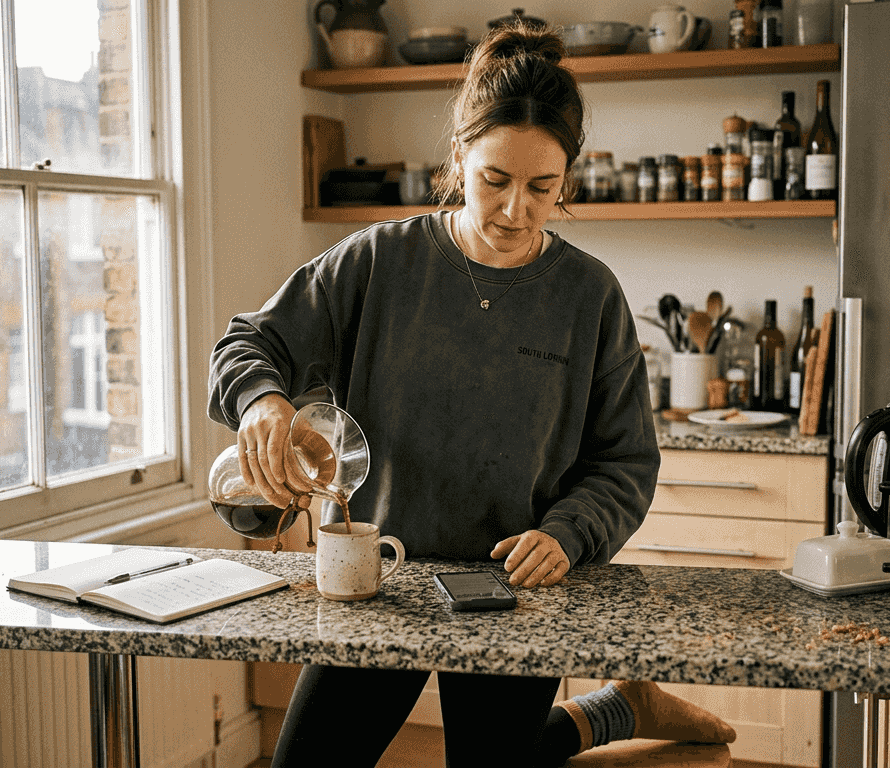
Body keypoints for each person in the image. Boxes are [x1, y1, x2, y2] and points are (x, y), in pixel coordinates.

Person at [208, 22, 733, 768]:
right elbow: (246, 343)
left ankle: (619, 704)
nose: (516, 210)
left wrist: (569, 533)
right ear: (458, 159)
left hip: (510, 590)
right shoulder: (377, 261)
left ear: (567, 182)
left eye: (541, 187)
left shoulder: (590, 297)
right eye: (495, 180)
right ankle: (621, 704)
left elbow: (625, 463)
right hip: (377, 578)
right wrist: (261, 401)